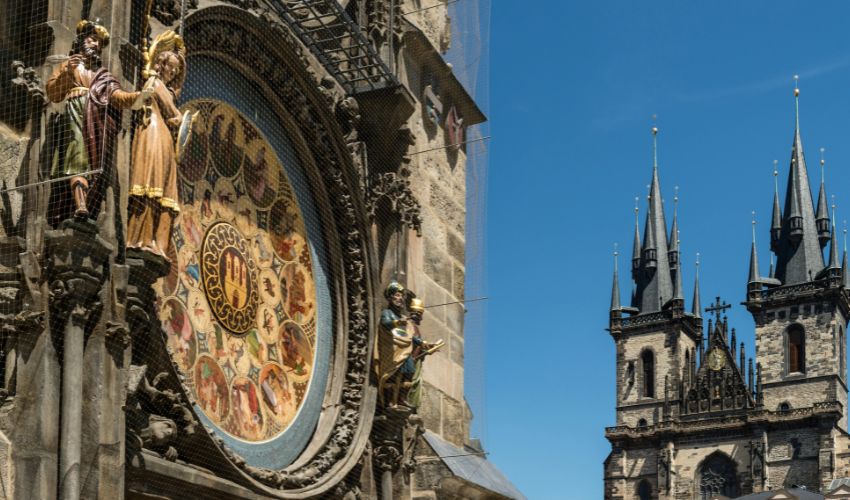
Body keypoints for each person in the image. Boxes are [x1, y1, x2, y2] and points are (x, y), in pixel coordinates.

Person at [46, 19, 151, 220]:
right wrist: (68, 72)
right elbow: (53, 94)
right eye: (93, 39)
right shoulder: (69, 65)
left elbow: (117, 96)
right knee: (76, 156)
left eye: (99, 43)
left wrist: (138, 98)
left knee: (90, 165)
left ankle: (84, 204)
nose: (96, 45)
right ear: (82, 40)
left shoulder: (103, 76)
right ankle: (80, 204)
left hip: (95, 124)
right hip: (74, 116)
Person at [127, 30, 187, 257]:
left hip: (163, 137)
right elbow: (174, 114)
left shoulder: (168, 89)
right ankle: (141, 238)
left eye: (176, 70)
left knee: (161, 188)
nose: (171, 72)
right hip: (153, 132)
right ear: (160, 64)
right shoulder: (155, 82)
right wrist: (179, 118)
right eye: (169, 66)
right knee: (151, 183)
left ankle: (154, 242)